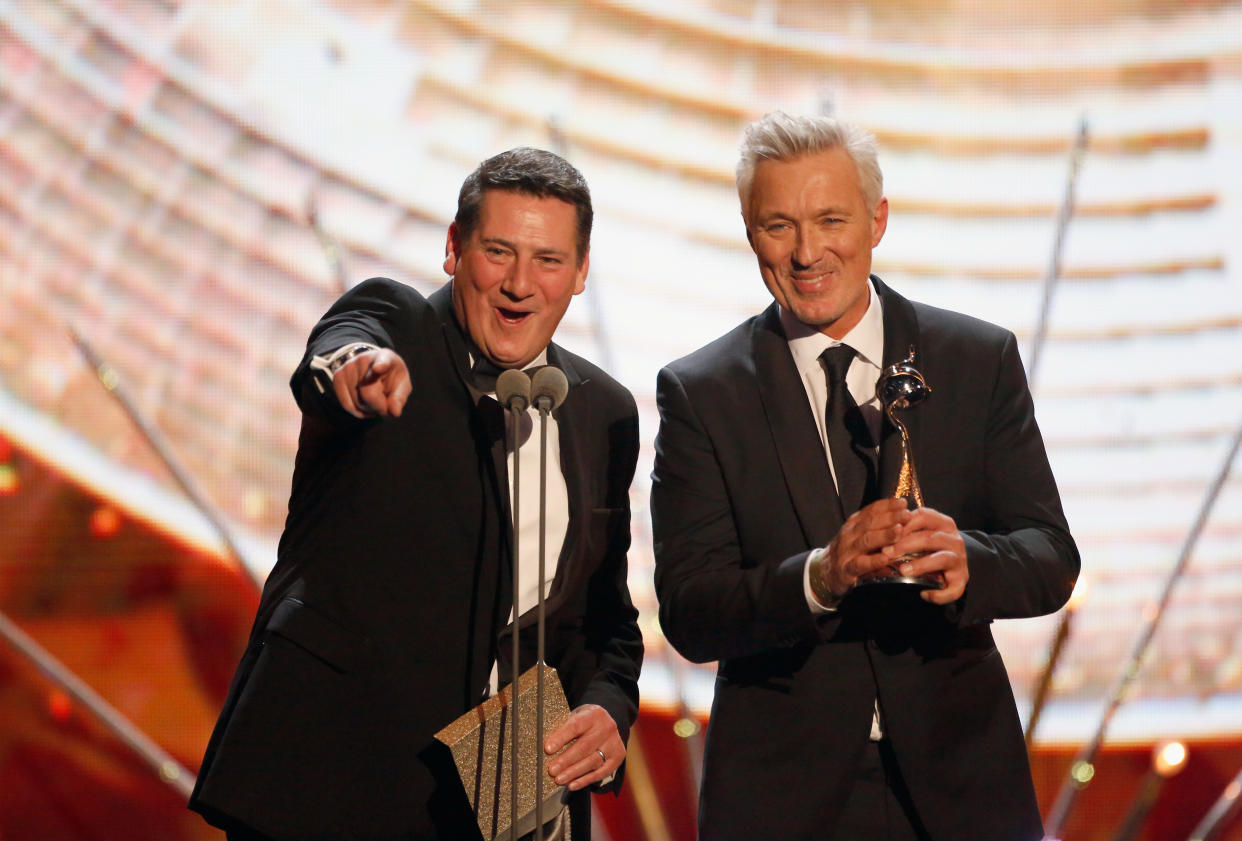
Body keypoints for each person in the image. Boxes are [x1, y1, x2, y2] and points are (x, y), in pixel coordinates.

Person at [189, 148, 643, 841]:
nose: (520, 284)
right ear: (454, 250)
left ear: (580, 273)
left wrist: (609, 707)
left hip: (501, 792)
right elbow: (339, 348)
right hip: (333, 779)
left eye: (549, 260)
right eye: (498, 251)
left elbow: (604, 621)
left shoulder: (603, 411)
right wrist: (355, 372)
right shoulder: (397, 325)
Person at [650, 112, 1080, 841]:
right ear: (749, 231)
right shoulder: (700, 391)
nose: (807, 250)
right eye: (778, 224)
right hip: (781, 799)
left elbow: (1050, 556)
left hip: (962, 791)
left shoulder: (978, 359)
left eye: (830, 219)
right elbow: (691, 612)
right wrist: (818, 576)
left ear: (877, 220)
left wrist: (970, 561)